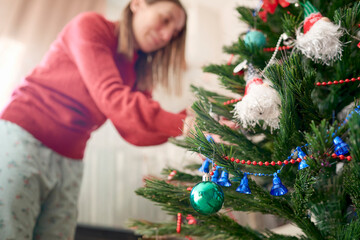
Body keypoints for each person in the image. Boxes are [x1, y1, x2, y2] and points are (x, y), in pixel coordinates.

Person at [0, 0, 192, 239]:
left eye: (173, 33)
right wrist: (186, 124)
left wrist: (188, 120)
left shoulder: (138, 68)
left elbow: (134, 128)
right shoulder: (90, 25)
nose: (165, 35)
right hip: (22, 139)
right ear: (138, 4)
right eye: (165, 20)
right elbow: (111, 96)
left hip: (71, 159)